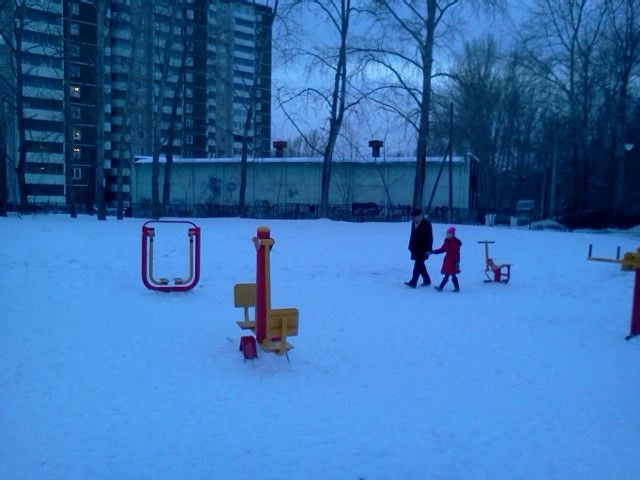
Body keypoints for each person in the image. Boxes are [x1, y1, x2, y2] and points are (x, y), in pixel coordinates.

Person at [405, 208, 433, 288]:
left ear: (420, 216)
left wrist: (429, 249)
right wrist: (410, 246)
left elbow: (430, 237)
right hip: (415, 248)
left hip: (423, 249)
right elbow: (412, 235)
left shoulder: (426, 223)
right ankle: (427, 280)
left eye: (415, 216)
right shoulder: (413, 223)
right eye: (413, 217)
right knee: (420, 265)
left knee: (418, 264)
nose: (413, 218)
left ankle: (413, 282)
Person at [431, 226, 462, 292]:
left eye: (449, 233)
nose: (447, 234)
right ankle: (442, 287)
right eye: (447, 233)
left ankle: (455, 287)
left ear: (453, 234)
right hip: (447, 261)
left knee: (452, 275)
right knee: (447, 274)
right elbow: (442, 249)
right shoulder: (447, 242)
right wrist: (433, 252)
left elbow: (457, 254)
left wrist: (457, 262)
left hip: (453, 261)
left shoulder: (455, 243)